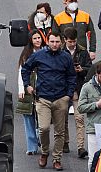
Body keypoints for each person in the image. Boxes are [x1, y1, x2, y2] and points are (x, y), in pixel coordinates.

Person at [21, 32, 76, 170]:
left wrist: (68, 95)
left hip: (60, 98)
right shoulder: (39, 55)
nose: (54, 44)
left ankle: (57, 158)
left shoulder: (66, 57)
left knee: (60, 131)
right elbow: (26, 68)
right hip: (43, 98)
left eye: (57, 42)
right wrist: (27, 84)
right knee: (44, 128)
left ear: (61, 42)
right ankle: (45, 152)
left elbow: (71, 76)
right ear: (47, 41)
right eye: (52, 42)